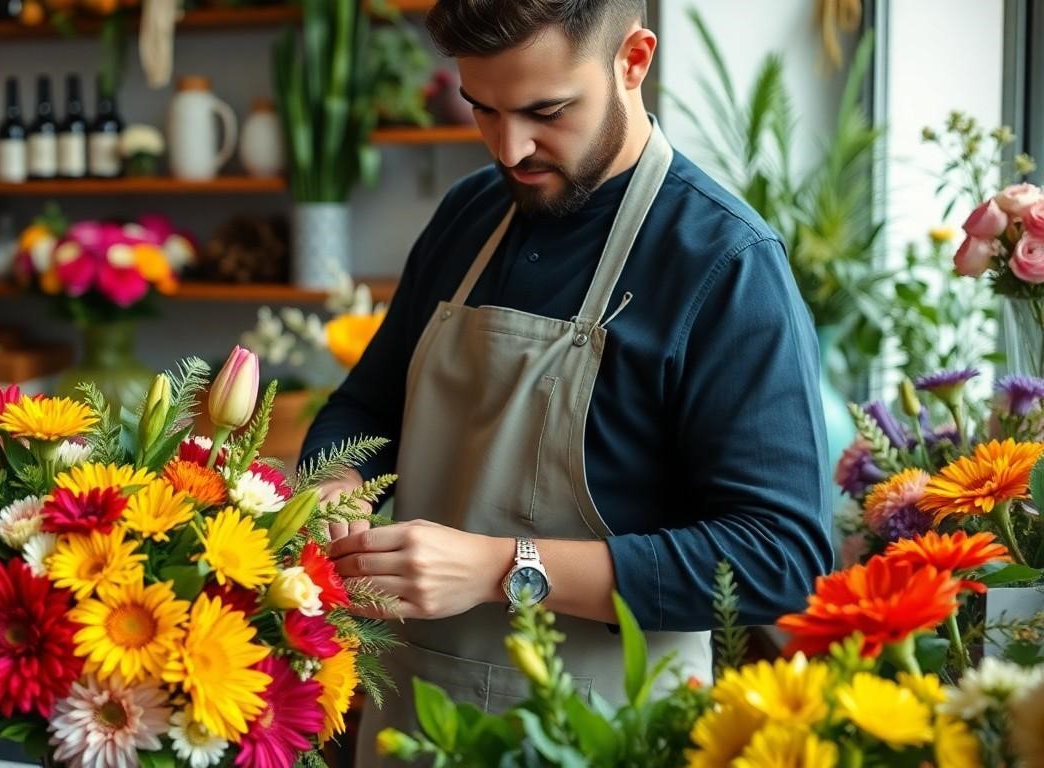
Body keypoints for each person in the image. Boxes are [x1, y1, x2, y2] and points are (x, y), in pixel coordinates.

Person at [298, 0, 834, 763]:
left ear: (633, 61)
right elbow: (369, 403)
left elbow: (780, 558)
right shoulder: (468, 216)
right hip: (411, 712)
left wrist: (500, 568)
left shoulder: (725, 263)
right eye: (482, 108)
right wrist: (337, 479)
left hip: (612, 731)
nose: (510, 148)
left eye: (546, 110)